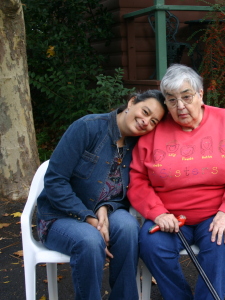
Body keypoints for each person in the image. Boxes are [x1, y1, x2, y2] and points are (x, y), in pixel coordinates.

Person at [128, 64, 225, 300]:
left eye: (186, 97)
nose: (180, 106)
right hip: (170, 216)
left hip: (218, 211)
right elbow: (137, 178)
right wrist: (157, 212)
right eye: (171, 100)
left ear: (201, 95)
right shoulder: (155, 129)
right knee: (151, 245)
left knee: (220, 242)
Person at [36, 90, 167, 300]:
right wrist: (89, 217)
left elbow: (127, 191)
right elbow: (55, 180)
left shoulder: (137, 145)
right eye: (145, 111)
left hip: (105, 212)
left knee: (128, 228)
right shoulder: (87, 127)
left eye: (153, 121)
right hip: (59, 215)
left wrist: (105, 207)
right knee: (89, 240)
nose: (145, 122)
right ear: (132, 102)